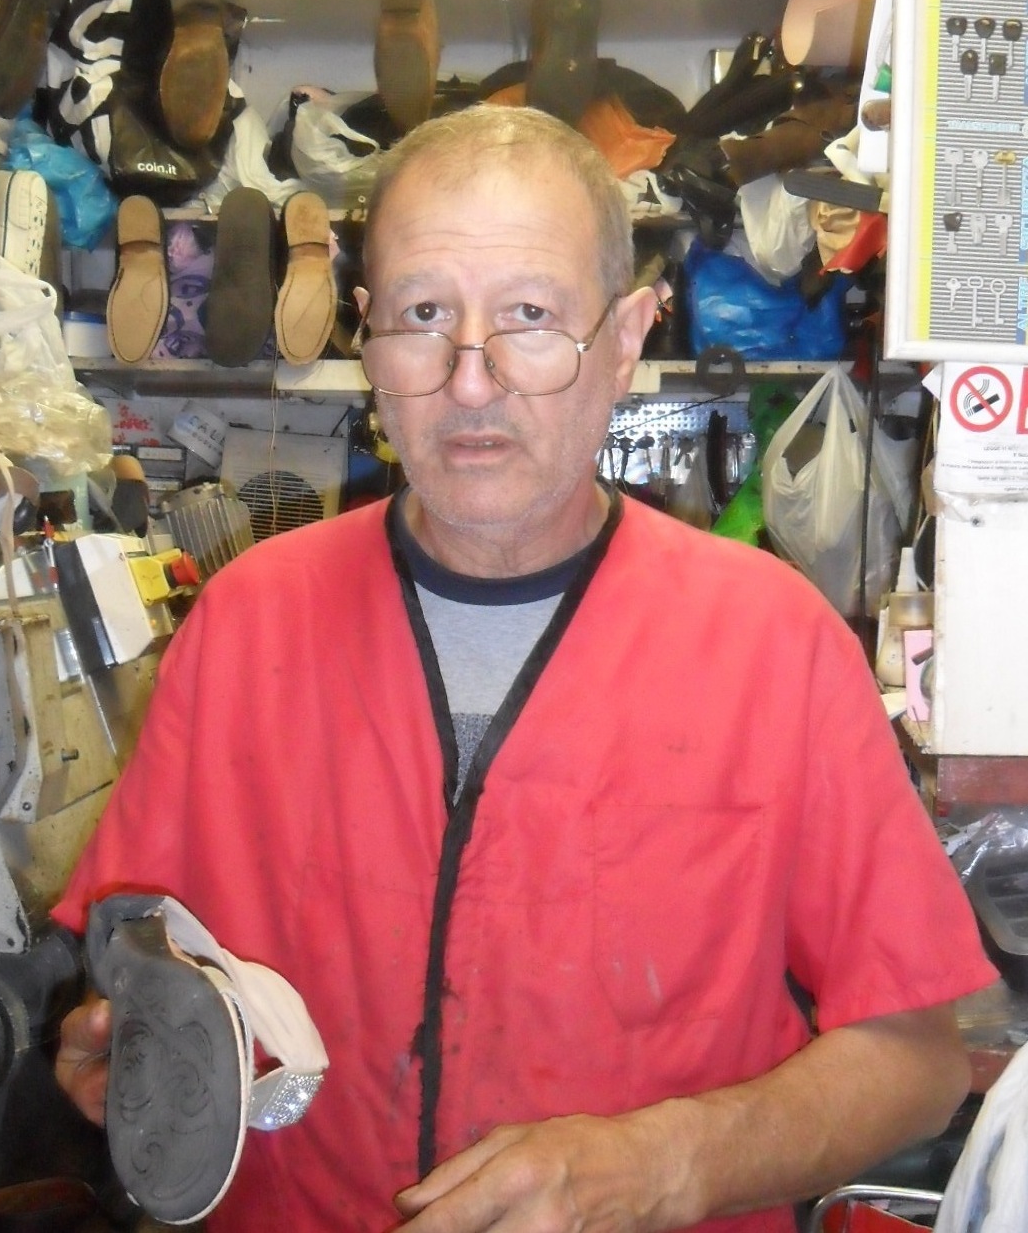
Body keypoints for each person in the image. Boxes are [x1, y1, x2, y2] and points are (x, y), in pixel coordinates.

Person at [53, 104, 996, 1233]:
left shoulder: (772, 646)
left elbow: (916, 1058)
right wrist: (134, 1042)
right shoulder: (247, 624)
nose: (470, 380)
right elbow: (145, 949)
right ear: (366, 338)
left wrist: (662, 1165)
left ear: (626, 336)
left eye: (530, 316)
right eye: (422, 315)